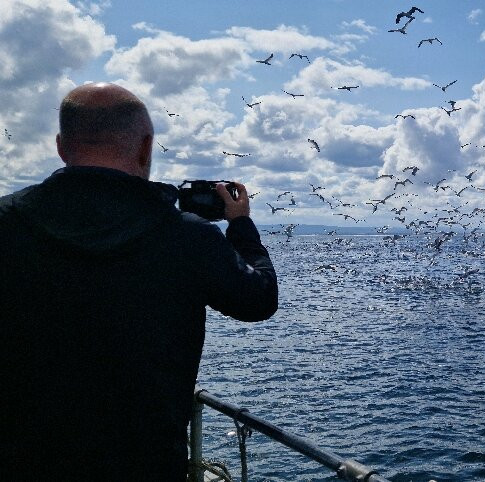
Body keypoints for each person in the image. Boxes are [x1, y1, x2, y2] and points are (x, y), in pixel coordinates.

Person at [0, 83, 278, 480]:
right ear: (147, 147)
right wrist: (241, 226)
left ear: (61, 146)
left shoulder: (7, 222)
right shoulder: (188, 236)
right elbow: (259, 300)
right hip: (146, 464)